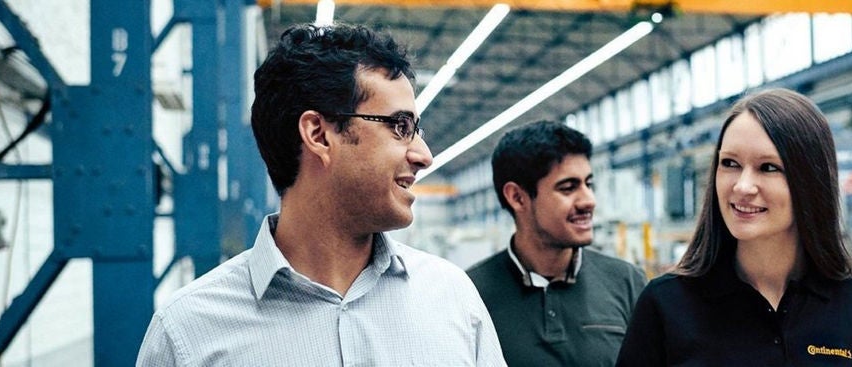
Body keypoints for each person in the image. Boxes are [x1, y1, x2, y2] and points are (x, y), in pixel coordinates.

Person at [137, 24, 505, 366]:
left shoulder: (453, 300)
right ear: (318, 134)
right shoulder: (187, 333)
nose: (423, 155)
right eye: (400, 126)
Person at [615, 88, 852, 366]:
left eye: (768, 167)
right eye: (730, 163)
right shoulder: (665, 306)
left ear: (810, 181)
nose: (742, 186)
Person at [467, 120, 647, 367]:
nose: (589, 200)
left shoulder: (628, 282)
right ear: (517, 197)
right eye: (568, 188)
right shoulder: (470, 293)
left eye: (589, 184)